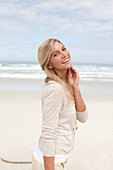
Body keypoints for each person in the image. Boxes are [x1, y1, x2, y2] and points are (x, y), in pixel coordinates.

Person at [32, 38, 89, 170]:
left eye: (63, 49)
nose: (64, 54)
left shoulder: (67, 85)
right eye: (56, 54)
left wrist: (76, 88)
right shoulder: (55, 90)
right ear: (49, 65)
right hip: (50, 162)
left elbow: (83, 117)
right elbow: (48, 133)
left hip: (59, 157)